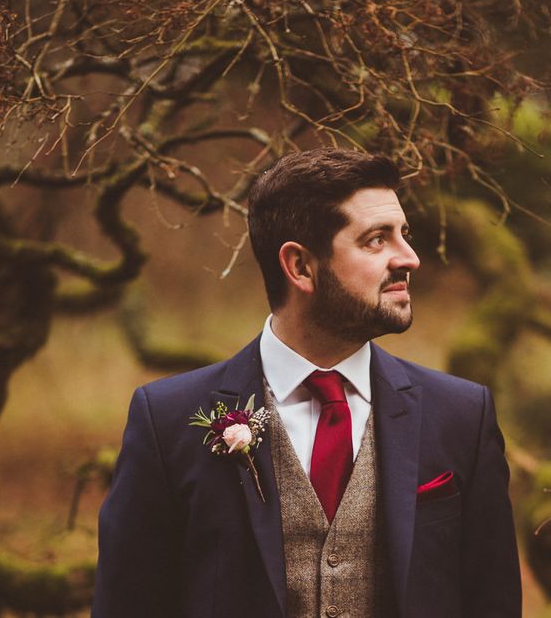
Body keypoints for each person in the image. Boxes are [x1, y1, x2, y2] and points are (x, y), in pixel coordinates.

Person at [93, 147, 521, 618]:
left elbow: (492, 602)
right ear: (299, 267)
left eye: (405, 235)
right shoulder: (167, 420)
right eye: (377, 240)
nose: (410, 259)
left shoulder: (462, 414)